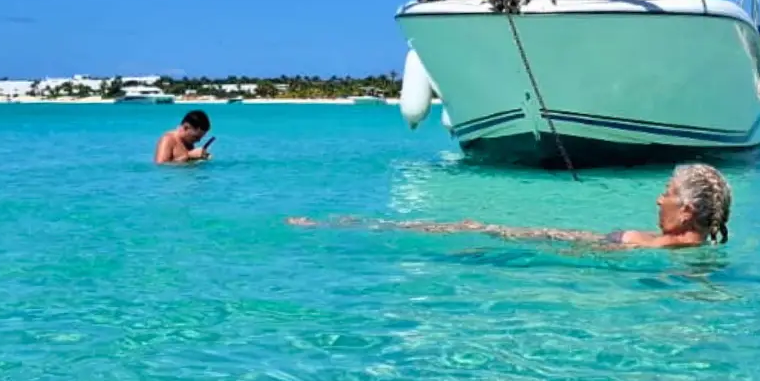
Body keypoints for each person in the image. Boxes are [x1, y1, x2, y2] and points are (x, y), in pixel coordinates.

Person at [288, 163, 734, 249]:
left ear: (686, 211)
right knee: (468, 228)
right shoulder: (696, 259)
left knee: (465, 228)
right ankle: (346, 224)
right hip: (555, 243)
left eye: (666, 193)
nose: (658, 198)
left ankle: (341, 225)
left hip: (546, 245)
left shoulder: (644, 245)